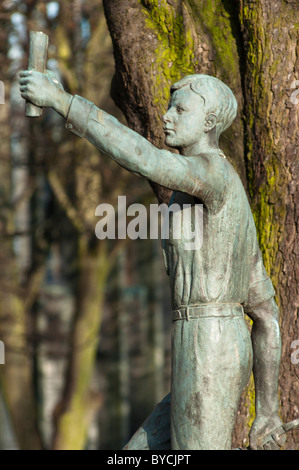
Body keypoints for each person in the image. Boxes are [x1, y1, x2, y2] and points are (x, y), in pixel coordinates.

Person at [19, 70, 285, 450]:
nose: (167, 116)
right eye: (169, 107)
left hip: (210, 343)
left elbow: (145, 158)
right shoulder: (200, 195)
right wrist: (268, 411)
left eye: (180, 109)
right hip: (202, 343)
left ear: (209, 122)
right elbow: (266, 311)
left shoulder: (215, 175)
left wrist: (63, 102)